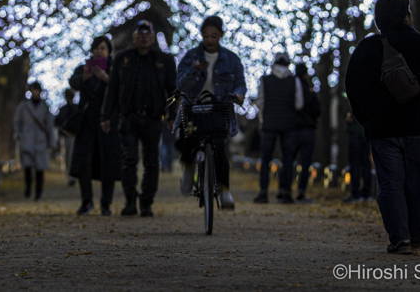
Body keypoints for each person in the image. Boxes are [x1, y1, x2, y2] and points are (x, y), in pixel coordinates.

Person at [345, 0, 420, 254]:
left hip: (382, 129)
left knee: (390, 183)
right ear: (406, 16)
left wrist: (366, 119)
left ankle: (399, 239)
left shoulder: (367, 48)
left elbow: (352, 87)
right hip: (417, 127)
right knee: (415, 181)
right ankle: (415, 237)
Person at [100, 20, 177, 217]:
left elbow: (172, 89)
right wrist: (106, 115)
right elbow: (113, 89)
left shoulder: (164, 60)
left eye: (147, 34)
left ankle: (147, 201)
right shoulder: (122, 59)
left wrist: (172, 115)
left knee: (152, 162)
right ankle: (130, 200)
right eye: (140, 34)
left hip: (153, 118)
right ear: (134, 38)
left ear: (152, 37)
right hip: (129, 117)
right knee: (129, 160)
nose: (144, 37)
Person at [176, 15, 247, 210]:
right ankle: (189, 168)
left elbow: (240, 82)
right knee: (186, 138)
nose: (209, 40)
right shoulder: (191, 56)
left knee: (218, 148)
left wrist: (239, 94)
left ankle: (224, 191)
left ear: (221, 36)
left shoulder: (231, 59)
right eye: (206, 35)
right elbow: (181, 84)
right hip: (194, 108)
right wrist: (194, 70)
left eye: (214, 36)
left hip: (218, 109)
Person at [68, 35, 122, 216]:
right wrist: (85, 77)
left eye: (103, 48)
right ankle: (86, 201)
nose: (99, 51)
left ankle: (106, 203)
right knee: (84, 161)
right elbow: (72, 83)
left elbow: (123, 88)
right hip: (87, 122)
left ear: (109, 51)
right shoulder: (85, 68)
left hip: (108, 121)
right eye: (97, 48)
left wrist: (107, 79)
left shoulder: (116, 68)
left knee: (108, 162)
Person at [253, 53, 303, 204]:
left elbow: (260, 101)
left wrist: (263, 120)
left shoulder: (265, 80)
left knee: (265, 159)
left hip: (269, 124)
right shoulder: (295, 81)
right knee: (287, 160)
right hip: (288, 125)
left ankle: (263, 192)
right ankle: (285, 191)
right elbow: (299, 104)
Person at [14, 80, 58, 200]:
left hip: (40, 141)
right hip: (26, 140)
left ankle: (39, 192)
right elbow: (17, 122)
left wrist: (52, 142)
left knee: (40, 168)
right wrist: (19, 135)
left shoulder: (45, 107)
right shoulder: (23, 106)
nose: (35, 92)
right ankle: (28, 188)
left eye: (37, 89)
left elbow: (49, 126)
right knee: (27, 167)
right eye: (33, 89)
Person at [292, 62, 321, 204]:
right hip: (308, 129)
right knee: (305, 163)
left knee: (289, 160)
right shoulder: (309, 90)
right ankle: (301, 192)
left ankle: (284, 190)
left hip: (293, 129)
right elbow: (318, 110)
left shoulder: (291, 88)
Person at [343, 111, 372, 203]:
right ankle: (367, 193)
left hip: (356, 131)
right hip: (366, 131)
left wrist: (351, 115)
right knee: (366, 163)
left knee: (355, 164)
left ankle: (356, 193)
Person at [55, 89, 78, 187]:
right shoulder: (75, 108)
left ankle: (71, 176)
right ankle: (72, 176)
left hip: (69, 136)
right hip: (70, 136)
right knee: (71, 156)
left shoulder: (65, 109)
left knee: (69, 157)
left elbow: (58, 122)